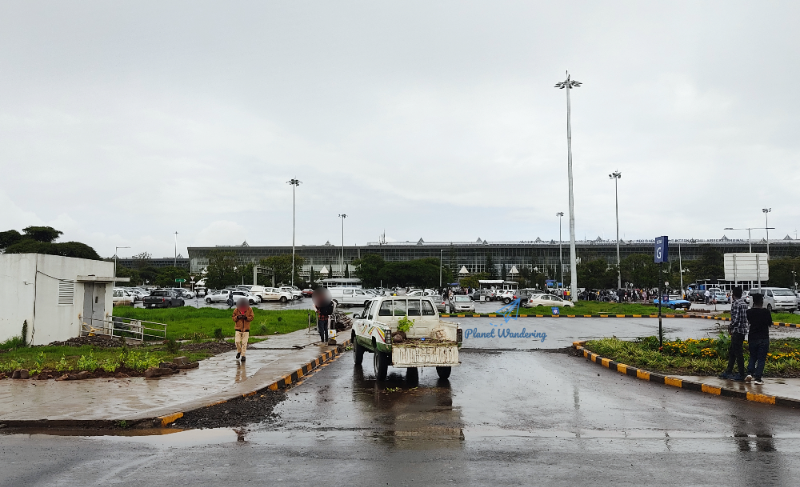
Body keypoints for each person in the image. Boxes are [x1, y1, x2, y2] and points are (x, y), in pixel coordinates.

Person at [719, 287, 748, 381]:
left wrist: (730, 327)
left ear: (733, 294)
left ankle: (741, 374)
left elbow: (736, 319)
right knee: (732, 351)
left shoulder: (735, 304)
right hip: (743, 331)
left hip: (736, 331)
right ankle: (729, 371)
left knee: (738, 353)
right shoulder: (744, 303)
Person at [745, 293, 771, 385]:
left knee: (753, 356)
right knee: (761, 358)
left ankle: (749, 373)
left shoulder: (749, 312)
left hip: (752, 337)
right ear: (762, 301)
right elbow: (769, 323)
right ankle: (758, 378)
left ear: (754, 301)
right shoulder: (766, 312)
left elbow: (748, 322)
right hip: (763, 337)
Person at [232, 298, 254, 362]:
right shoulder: (236, 310)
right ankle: (239, 351)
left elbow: (252, 317)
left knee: (244, 343)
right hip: (238, 328)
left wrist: (246, 318)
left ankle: (243, 355)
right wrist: (237, 317)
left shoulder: (249, 309)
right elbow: (233, 318)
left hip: (246, 329)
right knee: (237, 341)